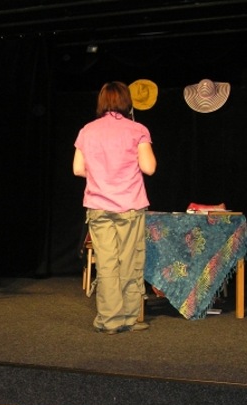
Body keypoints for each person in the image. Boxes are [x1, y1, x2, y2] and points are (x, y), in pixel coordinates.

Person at [73, 81, 157, 334]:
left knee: (107, 264)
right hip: (130, 206)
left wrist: (101, 174)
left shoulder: (87, 130)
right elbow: (149, 168)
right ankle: (129, 319)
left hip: (99, 206)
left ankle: (109, 321)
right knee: (130, 262)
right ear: (126, 101)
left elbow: (77, 169)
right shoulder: (137, 129)